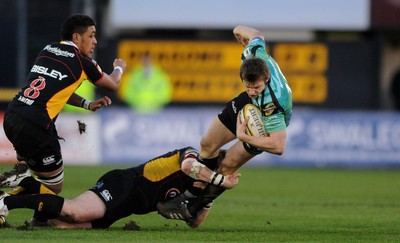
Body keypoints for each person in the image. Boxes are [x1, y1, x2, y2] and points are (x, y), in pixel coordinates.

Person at [0, 14, 127, 225]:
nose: (95, 41)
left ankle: (38, 221)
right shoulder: (82, 61)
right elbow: (112, 84)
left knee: (42, 179)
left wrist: (87, 104)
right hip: (36, 126)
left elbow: (57, 88)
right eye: (92, 35)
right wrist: (119, 67)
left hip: (13, 116)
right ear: (77, 37)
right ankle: (6, 199)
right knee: (53, 187)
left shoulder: (48, 49)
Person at [157, 25, 292, 220]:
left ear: (266, 78)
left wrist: (243, 136)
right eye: (248, 86)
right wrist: (238, 31)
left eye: (257, 87)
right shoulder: (252, 52)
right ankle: (192, 192)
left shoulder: (273, 102)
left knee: (227, 164)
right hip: (247, 104)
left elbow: (279, 146)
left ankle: (193, 207)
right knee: (207, 144)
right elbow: (256, 35)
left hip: (265, 120)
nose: (252, 90)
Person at [0, 147, 240, 229]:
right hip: (125, 184)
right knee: (75, 211)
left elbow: (193, 222)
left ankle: (27, 183)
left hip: (125, 207)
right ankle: (5, 202)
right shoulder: (193, 156)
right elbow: (189, 167)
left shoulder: (202, 187)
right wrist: (220, 180)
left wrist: (212, 195)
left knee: (63, 223)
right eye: (220, 171)